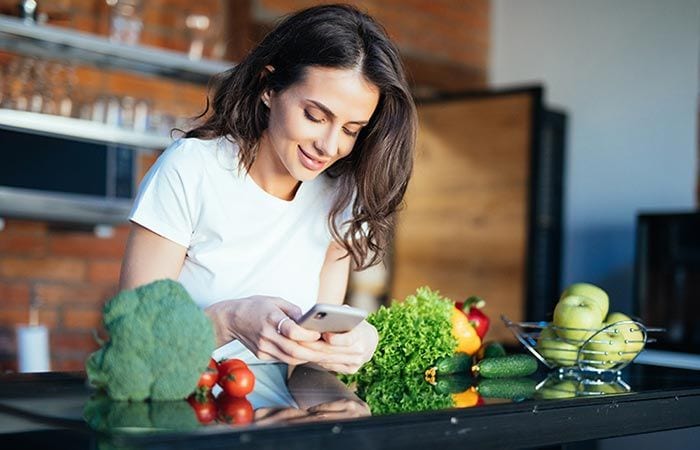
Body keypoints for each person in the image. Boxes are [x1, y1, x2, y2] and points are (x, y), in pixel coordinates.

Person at [119, 3, 416, 375]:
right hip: (181, 408)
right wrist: (228, 319)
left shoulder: (340, 195)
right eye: (315, 116)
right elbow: (132, 337)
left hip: (279, 422)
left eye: (351, 129)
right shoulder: (192, 168)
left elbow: (309, 363)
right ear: (268, 87)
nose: (329, 145)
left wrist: (353, 343)